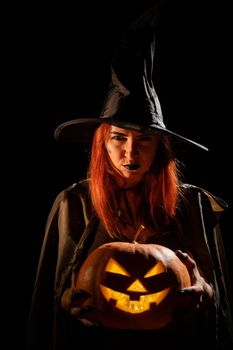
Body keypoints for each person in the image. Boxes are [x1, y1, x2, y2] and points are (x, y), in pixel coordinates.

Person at [26, 2, 233, 350]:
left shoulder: (192, 204)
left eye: (144, 141)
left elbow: (217, 297)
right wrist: (67, 302)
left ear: (161, 149)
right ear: (102, 145)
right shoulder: (74, 203)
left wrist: (204, 291)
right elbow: (50, 297)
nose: (131, 153)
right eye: (118, 138)